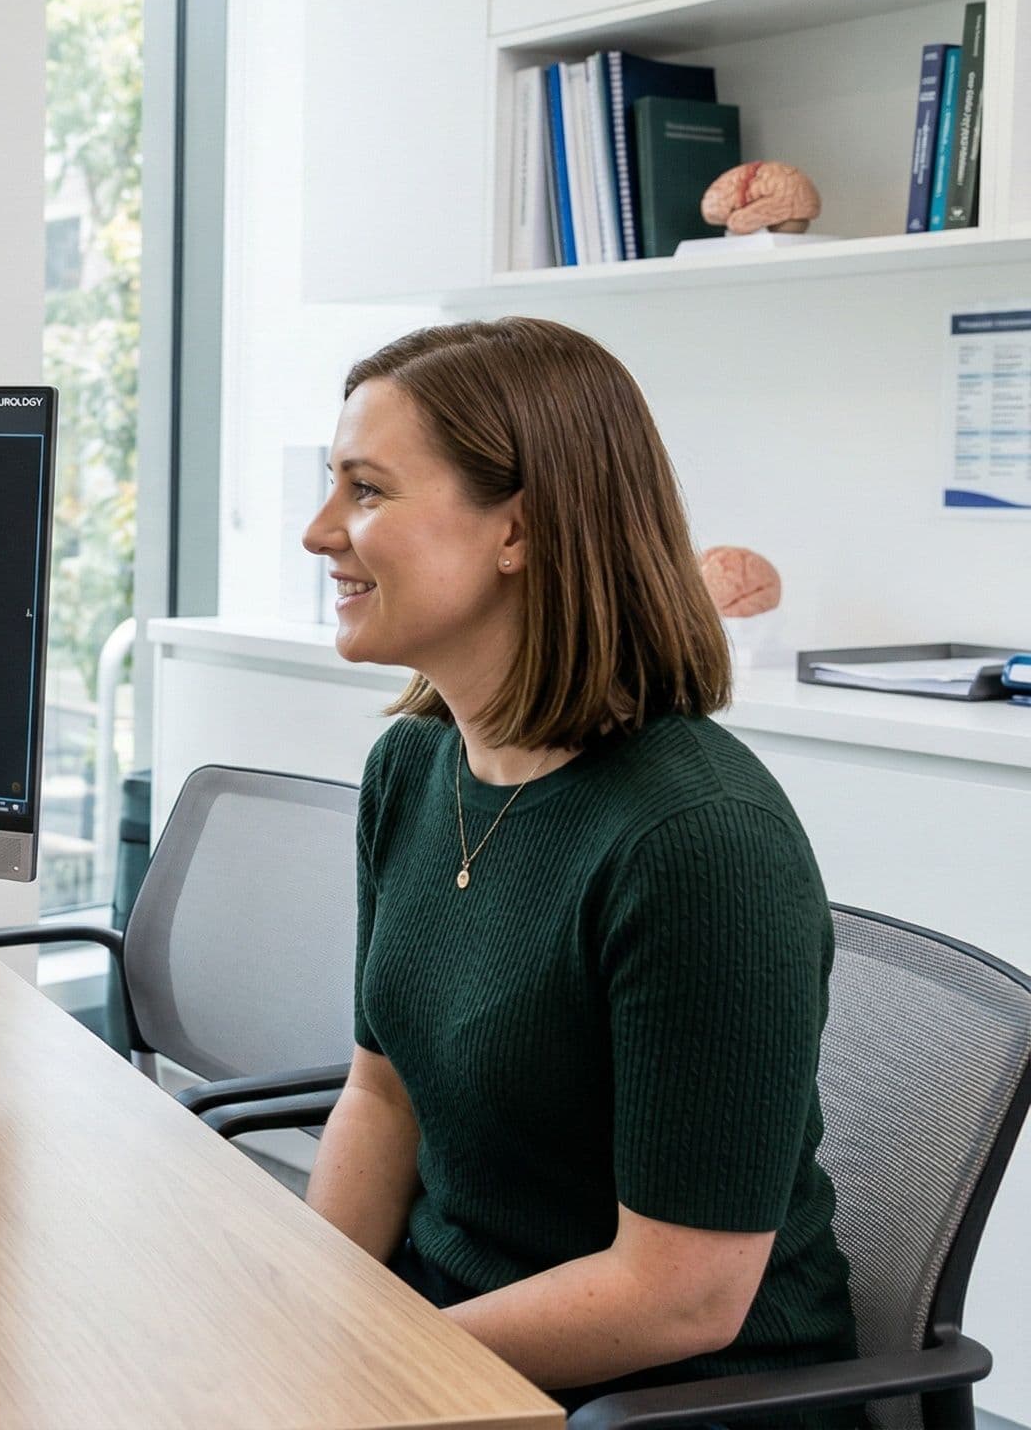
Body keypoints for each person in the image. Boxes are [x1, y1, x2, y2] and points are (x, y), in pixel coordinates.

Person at [298, 317, 856, 1420]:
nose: (320, 533)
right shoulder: (414, 766)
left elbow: (682, 1299)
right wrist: (307, 1319)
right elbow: (383, 1094)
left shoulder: (697, 842)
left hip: (670, 1396)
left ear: (519, 529)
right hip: (450, 1341)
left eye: (365, 490)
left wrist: (363, 1380)